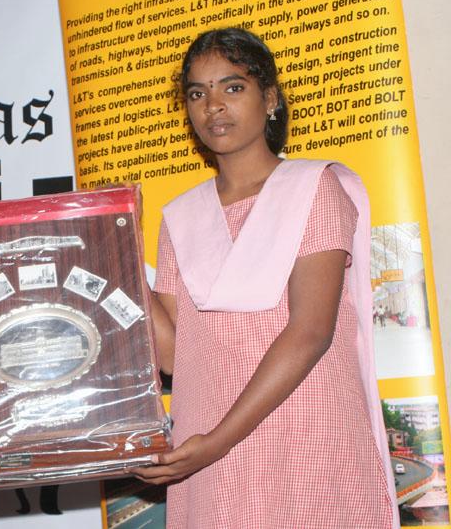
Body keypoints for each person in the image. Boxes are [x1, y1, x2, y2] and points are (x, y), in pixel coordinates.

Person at [132, 28, 398, 528]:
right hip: (208, 453)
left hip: (307, 442)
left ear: (269, 98)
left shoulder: (315, 188)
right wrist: (118, 246)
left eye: (232, 88)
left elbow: (311, 332)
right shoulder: (180, 217)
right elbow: (173, 354)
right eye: (198, 93)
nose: (213, 106)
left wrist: (215, 441)